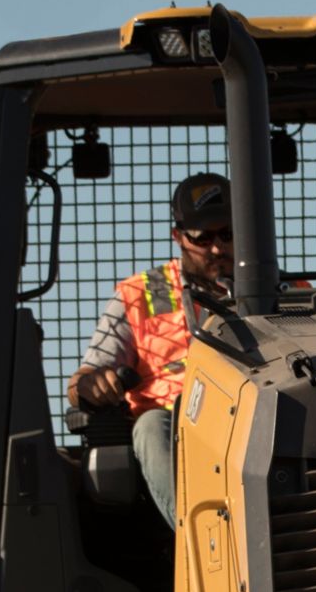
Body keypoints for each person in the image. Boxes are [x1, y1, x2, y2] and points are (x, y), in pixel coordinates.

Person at [66, 172, 236, 530]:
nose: (217, 249)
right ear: (178, 236)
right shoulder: (140, 295)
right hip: (177, 432)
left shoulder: (285, 291)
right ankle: (202, 540)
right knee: (149, 426)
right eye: (202, 238)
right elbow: (82, 380)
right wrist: (93, 383)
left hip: (253, 423)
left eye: (228, 234)